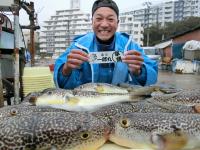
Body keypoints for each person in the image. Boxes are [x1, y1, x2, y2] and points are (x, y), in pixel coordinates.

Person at [54, 0, 158, 89]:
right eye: (99, 19)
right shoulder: (78, 46)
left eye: (110, 19)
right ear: (92, 22)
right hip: (88, 103)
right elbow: (62, 85)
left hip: (121, 102)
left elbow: (152, 75)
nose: (104, 25)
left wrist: (140, 71)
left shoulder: (130, 45)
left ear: (117, 22)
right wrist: (65, 69)